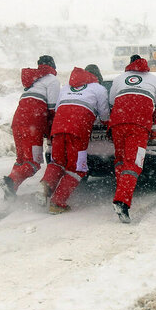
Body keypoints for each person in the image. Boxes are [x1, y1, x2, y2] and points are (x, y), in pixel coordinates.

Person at [39, 65, 109, 214]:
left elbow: (58, 108)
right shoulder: (98, 88)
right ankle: (57, 202)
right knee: (77, 168)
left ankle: (45, 185)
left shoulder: (66, 87)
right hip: (77, 130)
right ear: (97, 77)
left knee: (58, 161)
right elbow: (105, 116)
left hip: (58, 127)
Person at [108, 54, 156, 223]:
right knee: (133, 163)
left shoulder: (119, 78)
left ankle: (121, 191)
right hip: (139, 127)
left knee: (120, 161)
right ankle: (122, 202)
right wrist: (150, 120)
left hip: (117, 124)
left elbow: (112, 102)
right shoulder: (154, 79)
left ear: (129, 64)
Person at [0, 55, 60, 200]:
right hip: (32, 123)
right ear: (53, 66)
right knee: (33, 162)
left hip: (18, 121)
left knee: (21, 159)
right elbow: (52, 109)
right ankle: (11, 181)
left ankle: (11, 189)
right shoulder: (52, 80)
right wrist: (51, 132)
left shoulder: (32, 81)